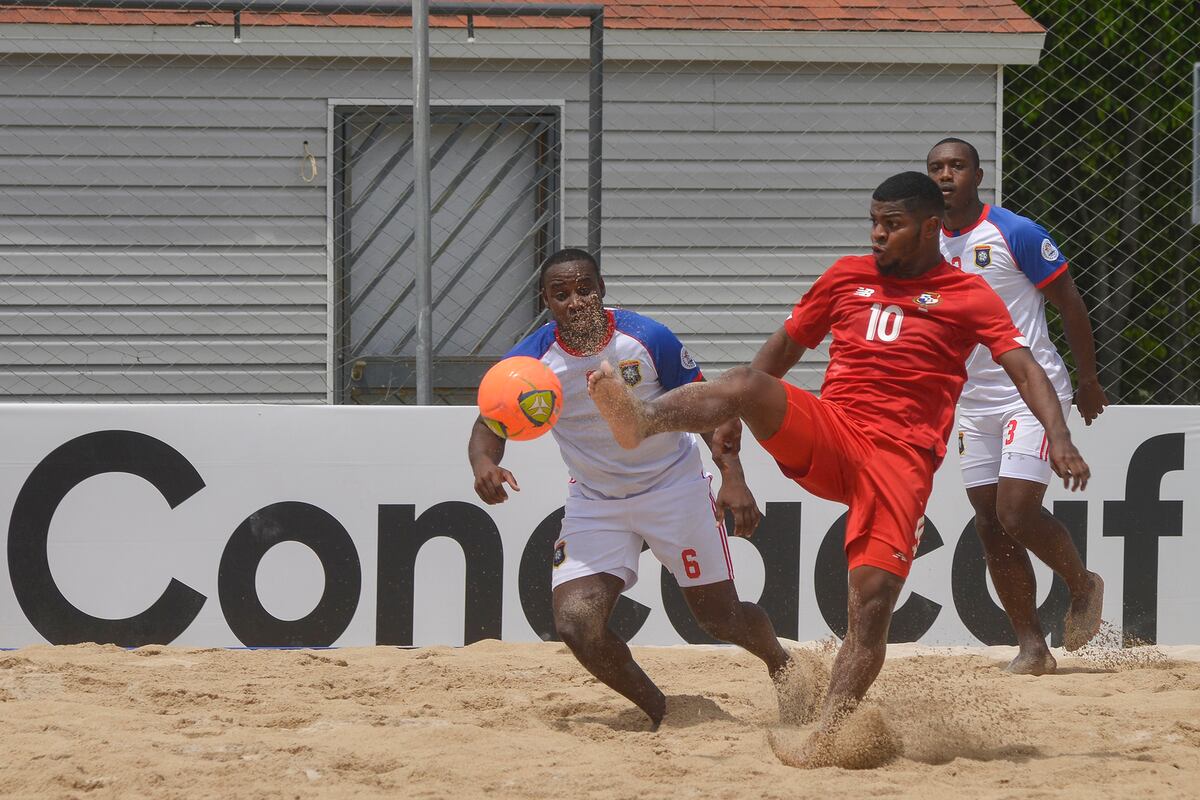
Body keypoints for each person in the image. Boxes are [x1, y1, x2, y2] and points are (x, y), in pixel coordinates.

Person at [585, 173, 1091, 766]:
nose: (877, 234)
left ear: (931, 227)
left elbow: (1026, 368)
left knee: (871, 602)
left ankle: (830, 730)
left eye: (892, 224)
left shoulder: (968, 294)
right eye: (873, 221)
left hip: (899, 461)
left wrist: (1059, 436)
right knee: (746, 381)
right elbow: (783, 349)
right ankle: (641, 418)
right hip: (836, 430)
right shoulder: (846, 276)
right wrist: (734, 419)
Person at [467, 247, 796, 730]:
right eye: (561, 294)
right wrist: (484, 464)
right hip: (596, 502)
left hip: (674, 488)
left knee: (720, 619)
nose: (575, 301)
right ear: (546, 301)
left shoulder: (646, 338)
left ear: (601, 290)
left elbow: (710, 407)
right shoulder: (530, 362)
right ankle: (664, 711)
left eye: (585, 289)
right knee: (576, 625)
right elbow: (489, 425)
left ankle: (781, 663)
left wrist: (733, 476)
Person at [927, 138, 1106, 674]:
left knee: (1015, 511)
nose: (946, 175)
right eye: (936, 167)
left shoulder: (1015, 232)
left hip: (1031, 389)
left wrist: (1089, 379)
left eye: (957, 166)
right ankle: (1032, 647)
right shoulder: (924, 241)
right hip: (972, 401)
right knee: (988, 522)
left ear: (978, 176)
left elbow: (1070, 303)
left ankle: (1081, 584)